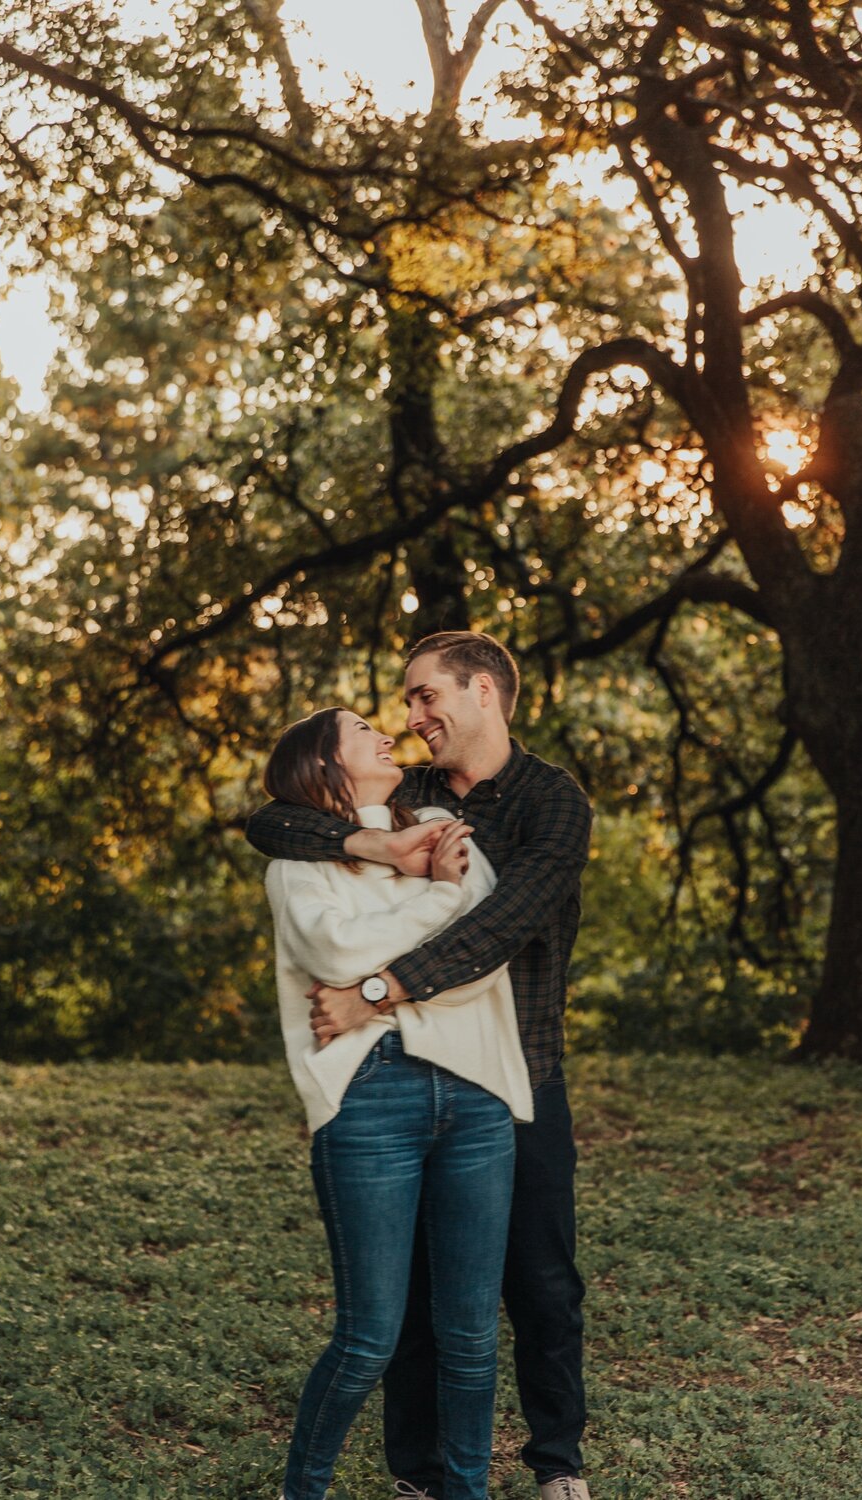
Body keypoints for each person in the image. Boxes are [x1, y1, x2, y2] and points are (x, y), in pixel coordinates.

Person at [248, 632, 594, 1500]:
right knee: (410, 1305)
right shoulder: (418, 797)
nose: (412, 718)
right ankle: (421, 1471)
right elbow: (277, 817)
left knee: (540, 1280)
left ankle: (558, 1463)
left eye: (425, 697)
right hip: (409, 1072)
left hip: (520, 1066)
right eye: (402, 705)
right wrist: (369, 848)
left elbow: (495, 926)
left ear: (483, 692)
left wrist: (375, 990)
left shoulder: (553, 802)